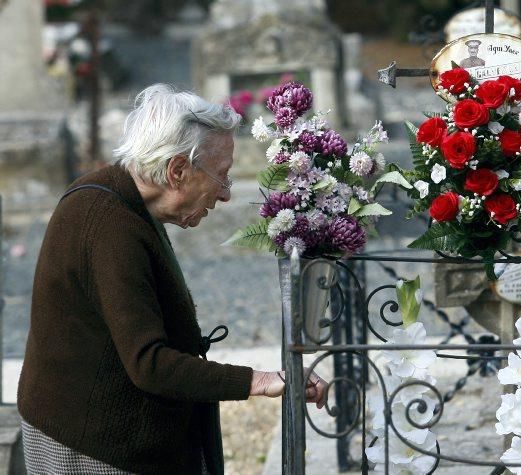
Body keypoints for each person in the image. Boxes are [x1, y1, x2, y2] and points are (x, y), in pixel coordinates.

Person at [16, 84, 328, 474]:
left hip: (110, 431)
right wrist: (259, 381)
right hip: (89, 443)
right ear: (177, 170)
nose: (226, 195)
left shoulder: (127, 202)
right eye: (222, 177)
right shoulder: (107, 224)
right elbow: (149, 362)